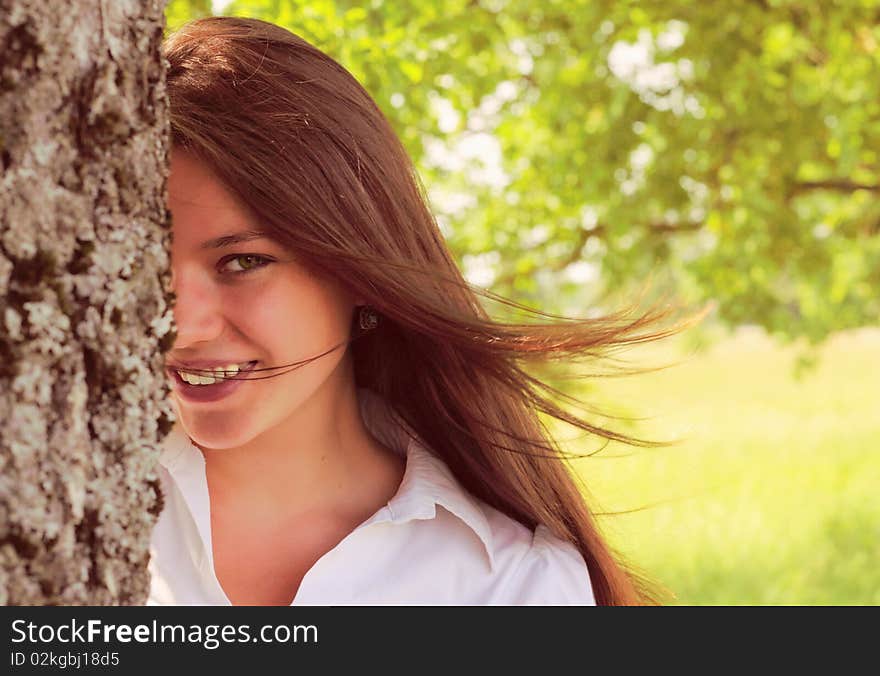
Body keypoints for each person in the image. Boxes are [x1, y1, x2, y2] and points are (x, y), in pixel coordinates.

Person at [149, 16, 698, 606]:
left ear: (358, 269)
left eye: (243, 262)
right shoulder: (60, 497)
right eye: (143, 262)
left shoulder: (513, 587)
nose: (180, 323)